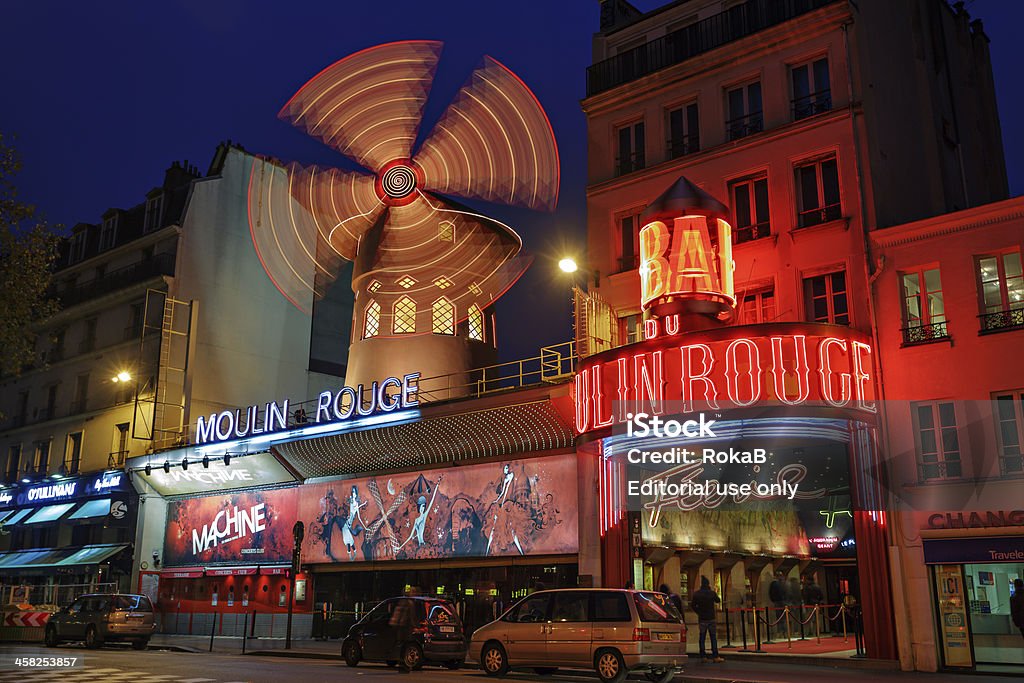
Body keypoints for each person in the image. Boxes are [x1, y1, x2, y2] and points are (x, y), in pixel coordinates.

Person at [690, 576, 724, 663]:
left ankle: (703, 656)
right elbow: (718, 600)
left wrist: (699, 612)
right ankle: (715, 656)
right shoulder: (711, 593)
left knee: (702, 637)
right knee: (713, 637)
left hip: (702, 618)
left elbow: (693, 605)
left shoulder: (697, 594)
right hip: (711, 617)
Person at [768, 571, 787, 638]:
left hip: (777, 602)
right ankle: (784, 633)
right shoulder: (783, 583)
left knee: (779, 617)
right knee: (783, 618)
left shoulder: (774, 584)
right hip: (783, 601)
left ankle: (780, 632)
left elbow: (771, 593)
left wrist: (773, 600)